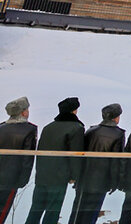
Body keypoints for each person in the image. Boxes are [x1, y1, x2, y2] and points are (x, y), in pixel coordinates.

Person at [25, 96, 85, 224]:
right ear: (74, 111)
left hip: (42, 175)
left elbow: (40, 151)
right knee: (53, 211)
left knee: (36, 209)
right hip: (59, 176)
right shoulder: (76, 128)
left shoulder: (48, 127)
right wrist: (75, 175)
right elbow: (76, 154)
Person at [69, 102, 125, 224]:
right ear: (116, 117)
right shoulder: (118, 134)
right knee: (92, 213)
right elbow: (116, 161)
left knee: (77, 211)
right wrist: (115, 181)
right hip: (102, 180)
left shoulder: (91, 131)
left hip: (84, 178)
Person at [0, 97, 37, 224]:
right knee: (3, 210)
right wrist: (23, 180)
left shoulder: (1, 127)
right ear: (23, 112)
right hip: (12, 178)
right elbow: (27, 158)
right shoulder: (29, 130)